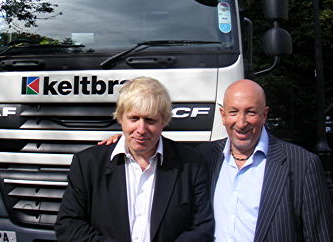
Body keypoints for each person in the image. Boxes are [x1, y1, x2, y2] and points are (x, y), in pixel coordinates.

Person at [100, 79, 333, 241]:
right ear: (222, 115)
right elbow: (152, 142)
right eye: (233, 112)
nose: (241, 123)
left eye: (250, 112)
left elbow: (319, 235)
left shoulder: (301, 165)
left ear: (264, 115)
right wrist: (126, 140)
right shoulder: (202, 157)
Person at [54, 77, 214, 242]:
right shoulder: (88, 164)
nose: (141, 129)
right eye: (134, 118)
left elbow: (202, 227)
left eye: (150, 120)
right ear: (120, 118)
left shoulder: (191, 164)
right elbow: (68, 226)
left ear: (164, 121)